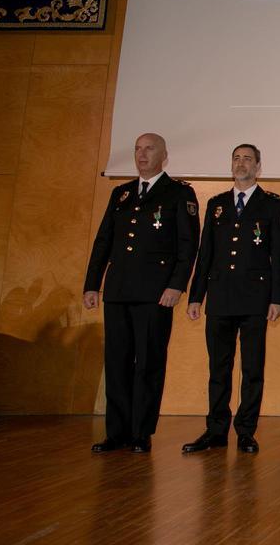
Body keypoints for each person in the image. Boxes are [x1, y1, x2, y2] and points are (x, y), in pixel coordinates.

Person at [84, 132, 199, 453]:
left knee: (148, 363)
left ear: (164, 155)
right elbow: (103, 242)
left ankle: (140, 432)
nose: (141, 154)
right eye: (137, 149)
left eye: (149, 149)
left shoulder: (178, 193)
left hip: (155, 293)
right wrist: (92, 283)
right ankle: (116, 432)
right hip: (118, 290)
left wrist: (177, 285)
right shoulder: (120, 194)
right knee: (117, 362)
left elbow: (188, 246)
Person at [182, 144, 280, 454]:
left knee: (252, 368)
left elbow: (277, 255)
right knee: (219, 368)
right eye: (236, 158)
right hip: (220, 297)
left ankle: (245, 431)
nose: (241, 164)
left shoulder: (271, 204)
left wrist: (277, 298)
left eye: (248, 159)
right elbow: (205, 254)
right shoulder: (216, 204)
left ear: (258, 167)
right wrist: (195, 296)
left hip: (255, 297)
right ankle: (215, 430)